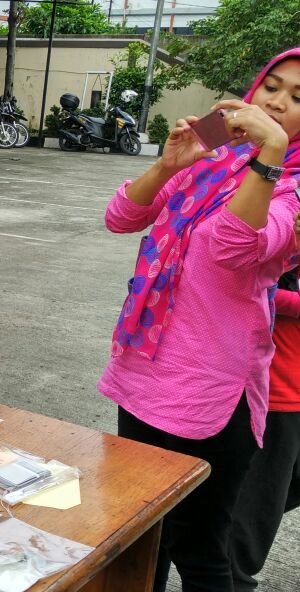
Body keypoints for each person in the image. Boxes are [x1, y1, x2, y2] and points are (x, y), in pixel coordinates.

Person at [98, 48, 300, 591]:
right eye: (272, 87)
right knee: (140, 533)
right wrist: (169, 163)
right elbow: (121, 217)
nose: (276, 103)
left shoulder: (292, 184)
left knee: (201, 551)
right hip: (147, 369)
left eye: (297, 99)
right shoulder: (212, 159)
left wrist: (272, 151)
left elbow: (236, 248)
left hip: (214, 391)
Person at [230, 258, 300, 591]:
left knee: (272, 495)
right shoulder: (282, 216)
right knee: (255, 513)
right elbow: (255, 284)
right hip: (279, 394)